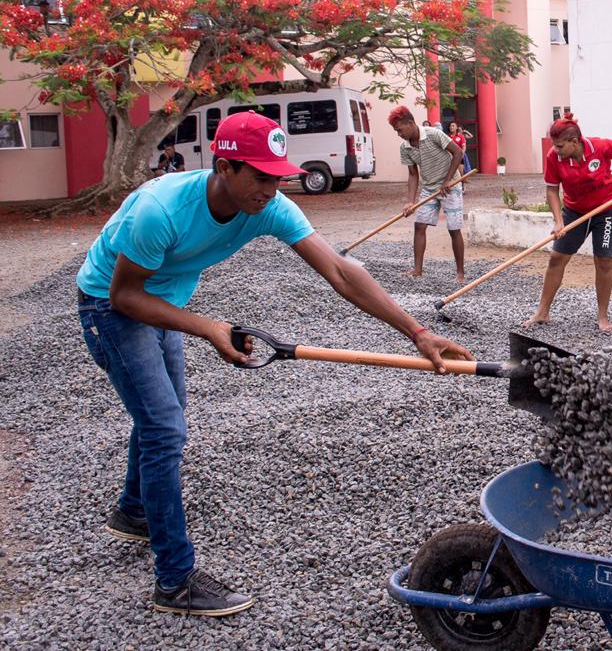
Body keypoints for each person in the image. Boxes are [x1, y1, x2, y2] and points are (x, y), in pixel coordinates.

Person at [76, 111, 471, 617]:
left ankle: (135, 512)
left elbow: (342, 272)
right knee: (163, 428)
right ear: (223, 167)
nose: (270, 188)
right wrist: (209, 327)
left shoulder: (268, 207)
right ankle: (174, 582)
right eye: (259, 176)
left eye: (277, 175)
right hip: (110, 307)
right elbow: (125, 295)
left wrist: (417, 333)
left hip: (165, 300)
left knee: (162, 417)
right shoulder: (160, 210)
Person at [524, 112, 612, 333]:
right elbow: (552, 190)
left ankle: (602, 317)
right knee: (556, 259)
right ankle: (542, 312)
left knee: (604, 261)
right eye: (554, 146)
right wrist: (558, 221)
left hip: (606, 210)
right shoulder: (553, 157)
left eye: (560, 146)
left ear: (575, 142)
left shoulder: (600, 147)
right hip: (575, 212)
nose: (556, 150)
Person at [392, 106, 466, 283]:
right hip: (429, 188)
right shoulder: (405, 147)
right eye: (396, 131)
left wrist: (447, 181)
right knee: (419, 226)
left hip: (451, 185)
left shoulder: (433, 134)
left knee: (454, 229)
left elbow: (457, 153)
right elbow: (412, 174)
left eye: (400, 130)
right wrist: (410, 201)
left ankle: (460, 273)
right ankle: (417, 270)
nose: (399, 134)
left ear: (410, 123)